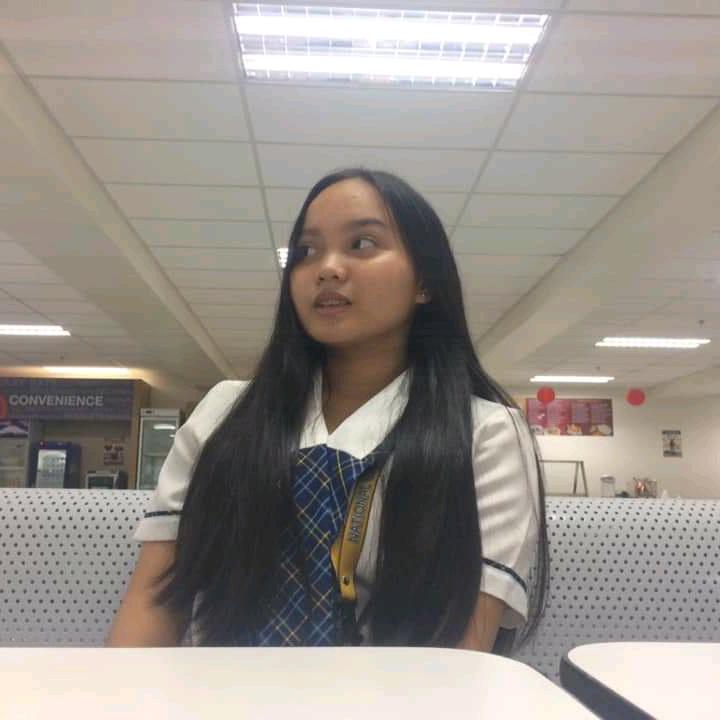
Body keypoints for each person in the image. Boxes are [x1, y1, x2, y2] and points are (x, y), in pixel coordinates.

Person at [106, 168, 549, 654]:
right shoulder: (226, 413)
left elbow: (462, 651)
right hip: (217, 689)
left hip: (402, 693)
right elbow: (154, 604)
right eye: (306, 251)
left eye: (362, 244)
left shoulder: (486, 435)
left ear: (424, 280)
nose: (327, 268)